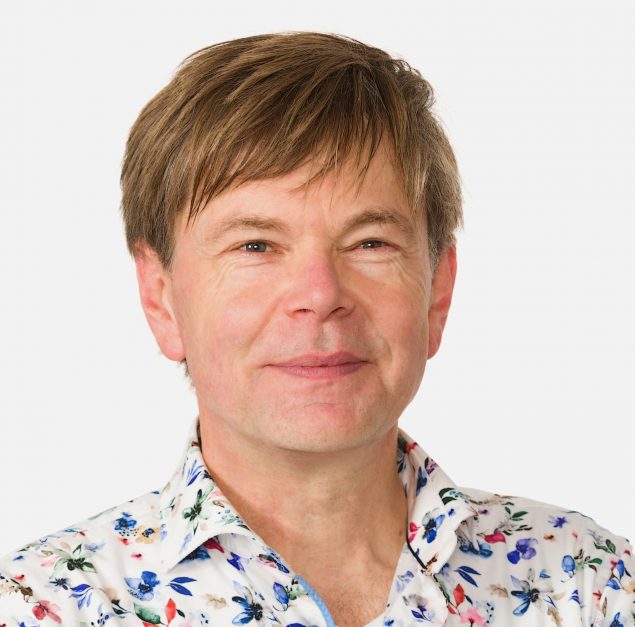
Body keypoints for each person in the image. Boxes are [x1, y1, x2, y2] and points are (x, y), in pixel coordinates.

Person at [0, 31, 632, 627]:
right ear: (160, 297)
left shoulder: (587, 584)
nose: (320, 296)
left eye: (369, 242)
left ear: (437, 290)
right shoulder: (41, 606)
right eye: (255, 245)